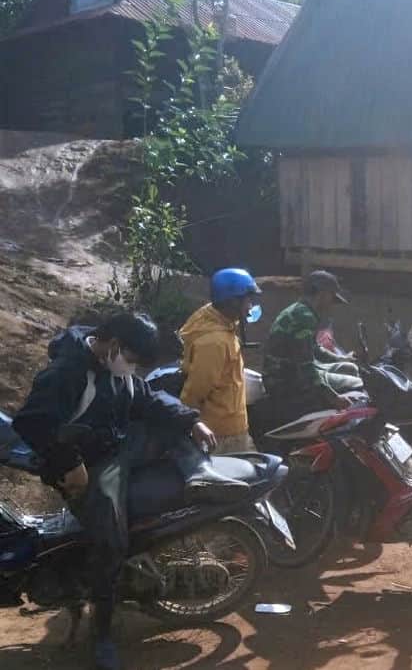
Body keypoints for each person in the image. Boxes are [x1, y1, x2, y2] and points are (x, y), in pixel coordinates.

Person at [12, 311, 239, 670]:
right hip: (92, 464)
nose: (131, 368)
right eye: (131, 359)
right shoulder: (66, 373)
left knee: (174, 426)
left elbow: (146, 398)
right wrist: (69, 462)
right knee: (111, 542)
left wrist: (191, 420)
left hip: (119, 444)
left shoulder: (116, 368)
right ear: (114, 344)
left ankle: (201, 474)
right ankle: (102, 633)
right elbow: (31, 423)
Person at [262, 270, 364, 427]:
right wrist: (333, 397)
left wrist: (342, 358)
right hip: (285, 380)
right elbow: (306, 367)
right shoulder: (304, 316)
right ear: (322, 294)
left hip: (288, 372)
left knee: (348, 367)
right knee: (355, 383)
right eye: (331, 297)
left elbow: (314, 349)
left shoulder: (300, 310)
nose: (331, 305)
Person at [179, 268, 261, 454]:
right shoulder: (215, 342)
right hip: (222, 433)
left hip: (226, 424)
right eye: (247, 300)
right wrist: (189, 421)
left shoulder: (212, 317)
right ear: (232, 302)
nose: (250, 306)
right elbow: (197, 390)